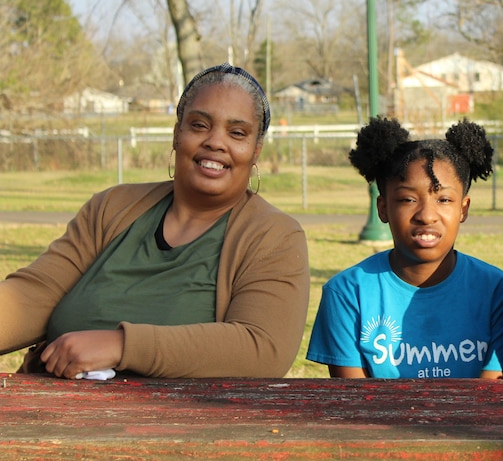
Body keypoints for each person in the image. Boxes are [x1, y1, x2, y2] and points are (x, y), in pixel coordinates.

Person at [0, 63, 310, 379]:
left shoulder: (274, 236)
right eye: (199, 125)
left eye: (237, 132)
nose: (215, 142)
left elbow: (262, 349)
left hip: (178, 423)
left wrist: (121, 346)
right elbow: (33, 294)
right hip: (51, 414)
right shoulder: (111, 208)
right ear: (177, 134)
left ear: (255, 150)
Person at [306, 117, 503, 379]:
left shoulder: (499, 293)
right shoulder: (347, 294)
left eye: (444, 199)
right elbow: (356, 405)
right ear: (383, 208)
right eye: (407, 199)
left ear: (463, 208)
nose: (426, 215)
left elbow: (489, 401)